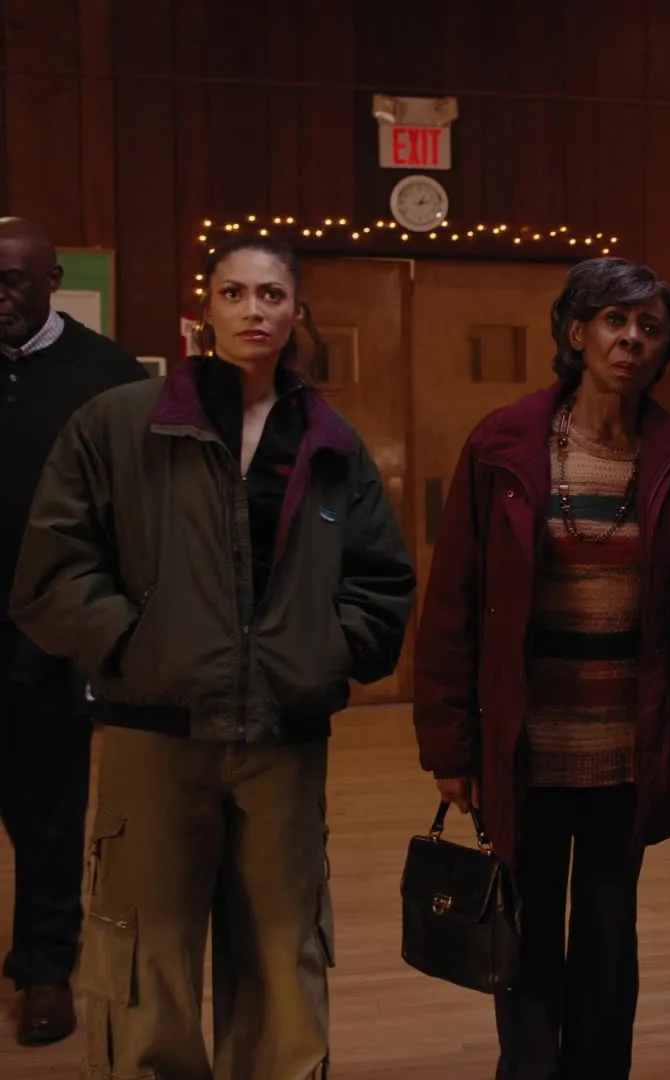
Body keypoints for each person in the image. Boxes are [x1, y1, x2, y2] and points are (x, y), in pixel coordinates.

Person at [8, 233, 415, 1079]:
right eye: (235, 293)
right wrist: (133, 644)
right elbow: (53, 569)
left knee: (282, 947)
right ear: (206, 312)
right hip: (155, 734)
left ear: (296, 313)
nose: (254, 310)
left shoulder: (329, 443)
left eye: (271, 295)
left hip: (284, 738)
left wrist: (321, 654)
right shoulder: (122, 422)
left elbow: (380, 582)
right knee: (145, 951)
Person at [413, 257, 670, 1080]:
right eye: (614, 321)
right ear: (576, 333)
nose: (632, 339)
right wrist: (451, 749)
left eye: (651, 328)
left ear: (665, 348)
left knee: (606, 935)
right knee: (521, 931)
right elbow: (453, 603)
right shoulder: (503, 446)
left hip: (625, 750)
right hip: (526, 742)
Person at [0, 216, 145, 1047]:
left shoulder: (107, 376)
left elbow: (128, 517)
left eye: (15, 280)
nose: (1, 297)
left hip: (52, 638)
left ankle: (47, 968)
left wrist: (98, 635)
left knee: (49, 813)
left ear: (53, 279)